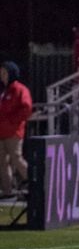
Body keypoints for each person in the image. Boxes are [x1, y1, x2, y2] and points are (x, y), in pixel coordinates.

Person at [0, 61, 32, 198]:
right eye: (1, 73)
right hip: (1, 132)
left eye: (4, 73)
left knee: (17, 158)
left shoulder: (20, 89)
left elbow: (27, 108)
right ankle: (8, 191)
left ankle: (35, 183)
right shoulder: (4, 91)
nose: (2, 76)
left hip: (13, 132)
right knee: (2, 162)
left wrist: (12, 121)